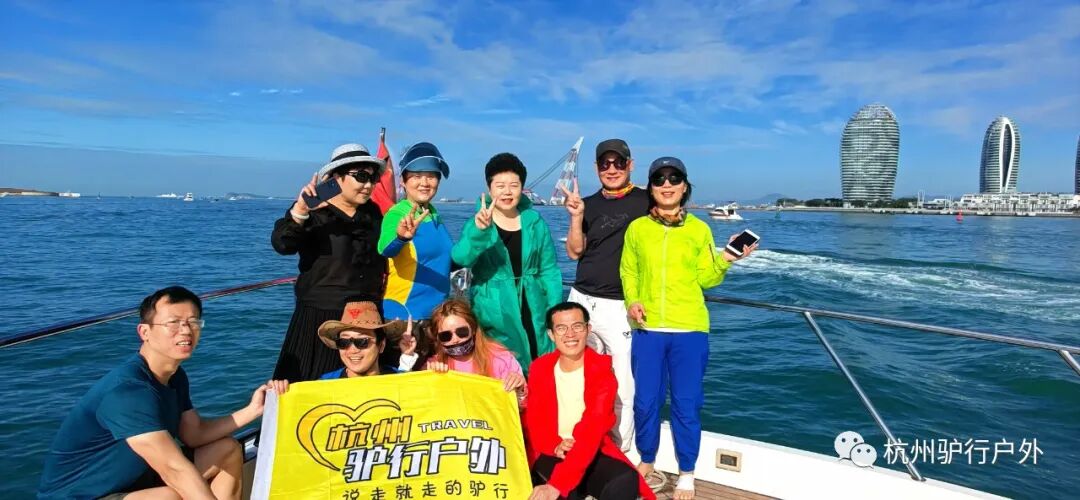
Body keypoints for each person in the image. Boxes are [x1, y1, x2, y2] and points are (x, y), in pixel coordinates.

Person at [38, 286, 289, 499]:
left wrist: (253, 410)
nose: (186, 330)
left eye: (193, 322)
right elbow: (173, 469)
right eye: (173, 323)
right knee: (170, 496)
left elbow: (194, 435)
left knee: (226, 449)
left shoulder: (175, 376)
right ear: (144, 332)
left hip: (135, 479)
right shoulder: (129, 391)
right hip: (85, 495)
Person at [620, 157, 757, 499]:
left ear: (684, 187)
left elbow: (706, 278)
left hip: (690, 330)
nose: (666, 185)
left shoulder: (699, 229)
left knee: (686, 403)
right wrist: (632, 301)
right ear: (651, 188)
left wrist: (726, 259)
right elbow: (629, 272)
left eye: (674, 178)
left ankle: (687, 471)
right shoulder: (637, 229)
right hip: (648, 329)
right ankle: (647, 459)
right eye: (659, 179)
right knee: (645, 401)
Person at [271, 143, 388, 382]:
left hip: (365, 316)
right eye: (361, 177)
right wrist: (300, 211)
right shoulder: (313, 209)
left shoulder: (372, 212)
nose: (368, 185)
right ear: (337, 178)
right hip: (320, 315)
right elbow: (283, 244)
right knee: (309, 384)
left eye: (373, 178)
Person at [561, 138, 649, 452]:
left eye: (619, 162)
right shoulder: (586, 204)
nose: (612, 169)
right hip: (581, 299)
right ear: (597, 168)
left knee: (624, 383)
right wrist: (575, 217)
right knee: (575, 374)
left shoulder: (647, 201)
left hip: (620, 306)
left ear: (630, 165)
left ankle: (620, 452)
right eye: (604, 163)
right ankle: (575, 443)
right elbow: (574, 252)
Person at [525, 302, 654, 500]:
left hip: (589, 448)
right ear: (551, 334)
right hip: (550, 450)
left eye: (577, 326)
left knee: (624, 480)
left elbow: (592, 428)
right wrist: (555, 445)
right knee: (566, 494)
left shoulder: (602, 372)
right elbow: (535, 420)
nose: (570, 334)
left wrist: (558, 483)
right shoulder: (540, 368)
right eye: (561, 328)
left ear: (588, 329)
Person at [451, 153, 562, 373]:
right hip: (494, 306)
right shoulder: (479, 221)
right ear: (489, 189)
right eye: (500, 185)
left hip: (533, 303)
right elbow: (461, 258)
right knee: (503, 366)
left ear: (522, 188)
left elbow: (549, 270)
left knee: (541, 360)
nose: (507, 191)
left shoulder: (535, 222)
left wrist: (554, 309)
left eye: (514, 185)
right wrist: (479, 232)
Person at [377, 142, 454, 371]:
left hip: (434, 318)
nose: (425, 182)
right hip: (405, 320)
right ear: (403, 180)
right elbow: (385, 248)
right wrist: (401, 237)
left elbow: (444, 261)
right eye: (417, 176)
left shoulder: (433, 214)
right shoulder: (397, 213)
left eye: (431, 176)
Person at [424, 298, 527, 404]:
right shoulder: (433, 366)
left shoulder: (501, 358)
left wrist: (519, 390)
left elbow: (522, 405)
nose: (455, 339)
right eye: (446, 336)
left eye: (462, 332)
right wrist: (432, 379)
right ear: (437, 338)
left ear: (473, 329)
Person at [316, 301, 403, 379]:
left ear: (381, 345)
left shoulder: (401, 381)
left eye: (362, 341)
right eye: (344, 342)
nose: (353, 350)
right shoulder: (323, 385)